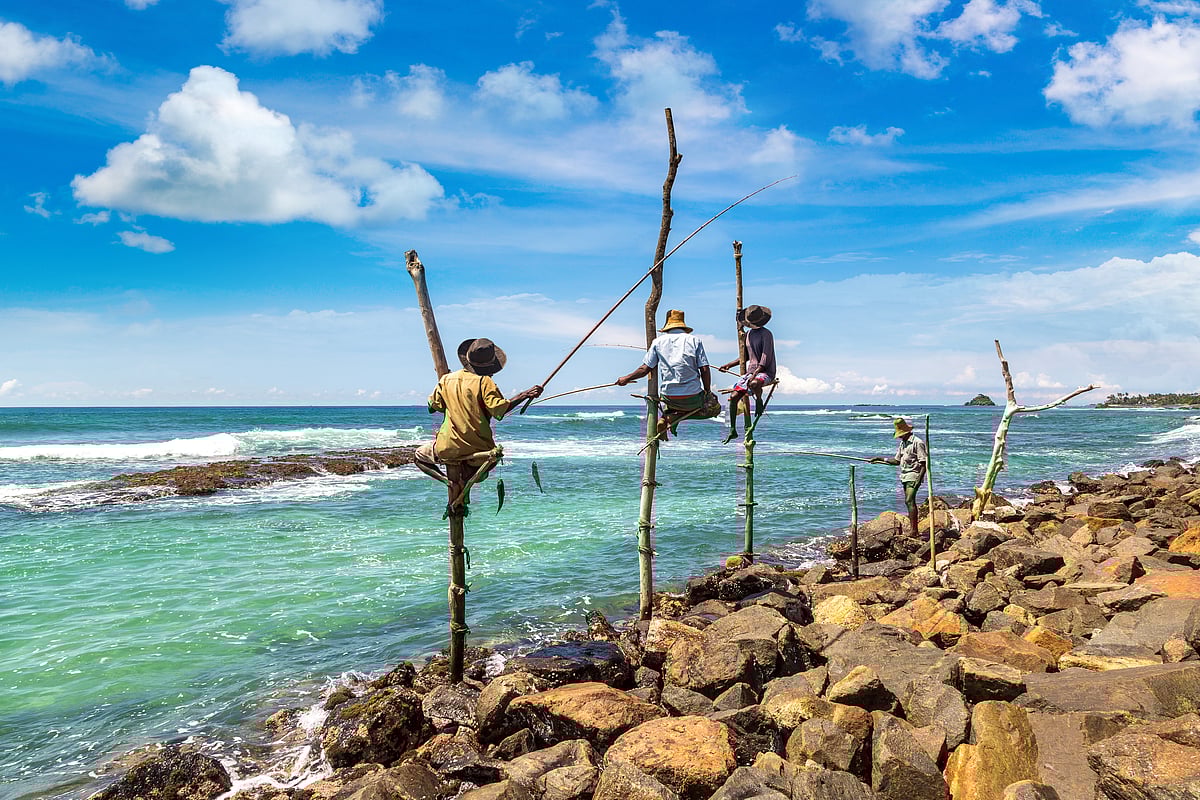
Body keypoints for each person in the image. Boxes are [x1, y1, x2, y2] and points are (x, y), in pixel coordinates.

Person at [415, 337, 542, 499]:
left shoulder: (446, 379)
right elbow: (499, 410)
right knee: (485, 469)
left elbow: (432, 407)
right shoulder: (485, 381)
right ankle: (463, 482)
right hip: (479, 450)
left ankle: (448, 482)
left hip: (446, 448)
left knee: (419, 456)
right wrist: (525, 395)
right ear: (490, 365)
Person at [615, 309, 713, 440]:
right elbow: (704, 368)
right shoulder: (695, 341)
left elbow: (645, 369)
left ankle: (666, 418)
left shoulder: (657, 342)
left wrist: (626, 378)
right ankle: (671, 418)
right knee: (714, 407)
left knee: (672, 406)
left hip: (669, 397)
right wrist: (707, 391)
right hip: (692, 396)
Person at [718, 304, 776, 443]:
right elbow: (745, 357)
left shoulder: (766, 334)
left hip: (765, 372)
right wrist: (729, 365)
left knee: (755, 383)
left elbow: (765, 358)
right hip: (751, 373)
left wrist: (756, 373)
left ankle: (759, 401)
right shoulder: (749, 334)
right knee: (733, 397)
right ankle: (732, 430)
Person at [871, 418, 928, 535]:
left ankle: (914, 530)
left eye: (900, 435)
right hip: (904, 476)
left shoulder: (918, 442)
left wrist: (918, 479)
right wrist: (880, 459)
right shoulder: (903, 443)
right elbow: (896, 461)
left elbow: (924, 463)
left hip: (914, 475)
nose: (899, 437)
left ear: (906, 432)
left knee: (909, 500)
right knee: (908, 502)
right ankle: (914, 528)